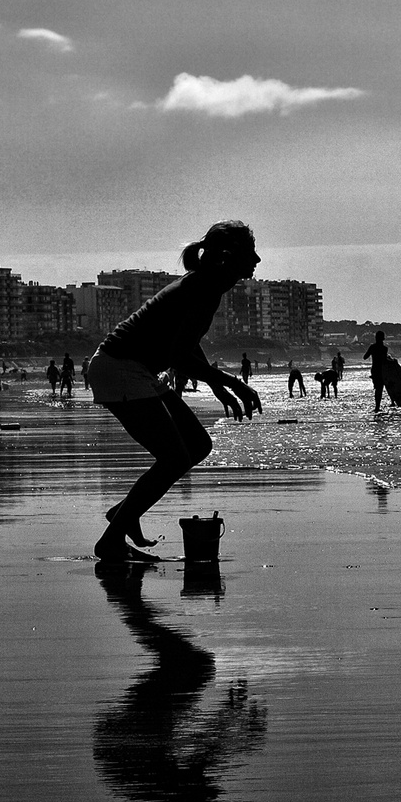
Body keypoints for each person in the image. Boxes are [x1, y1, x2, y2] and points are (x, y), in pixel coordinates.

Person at [88, 220, 264, 562]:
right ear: (228, 257)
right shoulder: (204, 287)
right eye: (250, 252)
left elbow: (185, 344)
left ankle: (123, 513)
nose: (257, 260)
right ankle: (110, 540)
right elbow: (178, 356)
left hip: (132, 369)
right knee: (174, 458)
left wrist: (216, 384)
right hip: (120, 368)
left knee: (198, 445)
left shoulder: (206, 283)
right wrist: (233, 382)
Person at [364, 331, 388, 412]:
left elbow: (365, 357)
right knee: (380, 389)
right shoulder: (385, 349)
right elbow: (385, 361)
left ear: (376, 338)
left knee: (377, 388)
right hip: (383, 370)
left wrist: (370, 352)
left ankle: (377, 407)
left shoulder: (372, 347)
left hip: (375, 370)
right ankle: (378, 406)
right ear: (383, 339)